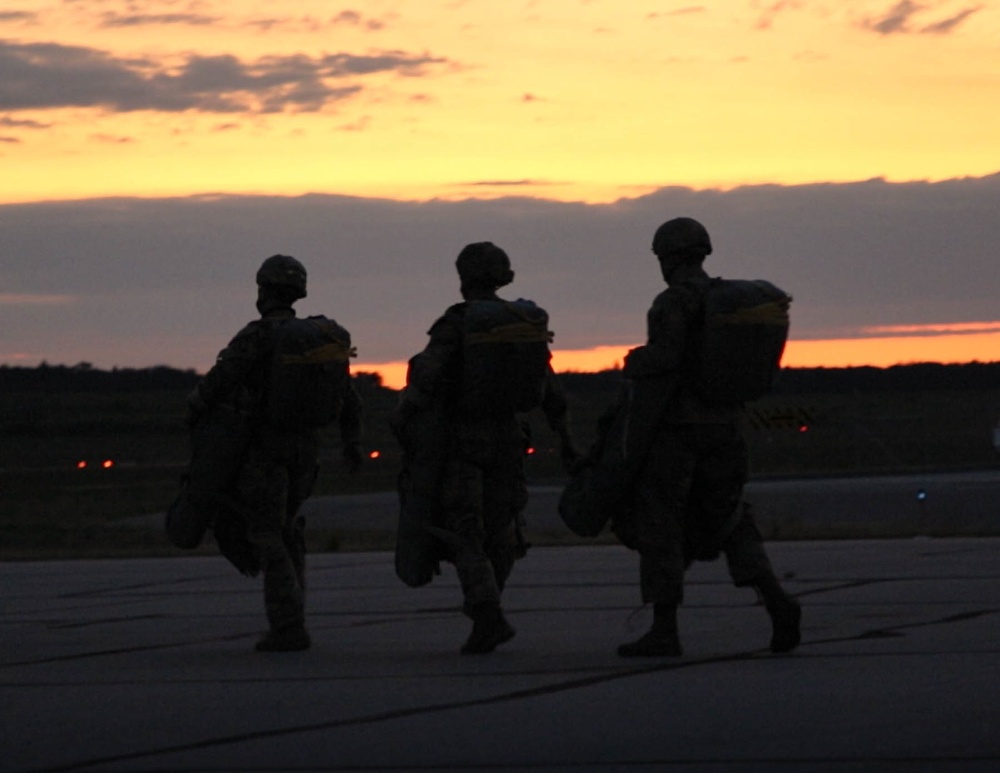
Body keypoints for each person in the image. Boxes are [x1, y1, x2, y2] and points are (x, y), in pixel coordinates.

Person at [616, 217, 801, 657]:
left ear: (670, 257)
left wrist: (633, 361)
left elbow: (666, 360)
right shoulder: (727, 302)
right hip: (727, 427)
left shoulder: (672, 303)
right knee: (732, 519)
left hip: (678, 432)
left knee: (661, 522)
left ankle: (664, 628)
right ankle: (777, 601)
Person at [393, 242, 578, 654]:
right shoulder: (521, 325)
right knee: (502, 530)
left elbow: (426, 374)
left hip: (463, 443)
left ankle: (486, 613)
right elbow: (551, 390)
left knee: (465, 531)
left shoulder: (458, 323)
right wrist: (566, 441)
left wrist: (405, 417)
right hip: (511, 442)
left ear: (464, 277)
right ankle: (488, 610)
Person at [187, 254, 363, 652]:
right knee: (285, 529)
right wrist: (351, 443)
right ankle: (293, 613)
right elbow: (349, 399)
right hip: (306, 453)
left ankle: (288, 625)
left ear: (263, 291)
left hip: (264, 450)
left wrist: (194, 413)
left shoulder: (257, 336)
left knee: (266, 533)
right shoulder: (317, 340)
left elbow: (218, 382)